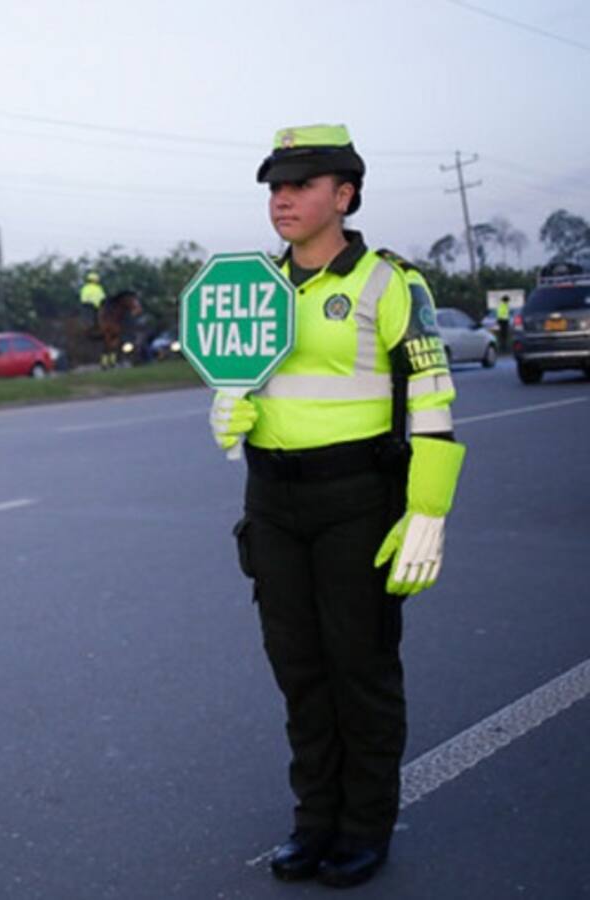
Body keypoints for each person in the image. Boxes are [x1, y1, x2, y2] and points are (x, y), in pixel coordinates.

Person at [210, 125, 465, 888]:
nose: (281, 199)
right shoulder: (253, 285)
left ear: (343, 195)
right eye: (273, 187)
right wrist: (227, 409)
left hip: (358, 498)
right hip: (273, 502)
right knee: (299, 669)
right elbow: (241, 375)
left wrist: (428, 510)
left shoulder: (390, 283)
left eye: (300, 185)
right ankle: (313, 820)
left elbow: (431, 397)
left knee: (360, 666)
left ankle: (364, 826)